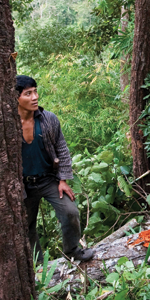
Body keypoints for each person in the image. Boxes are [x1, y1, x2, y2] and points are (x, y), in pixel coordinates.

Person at [16, 75, 95, 262]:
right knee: (26, 226)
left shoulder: (48, 119)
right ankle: (38, 267)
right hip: (23, 185)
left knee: (70, 212)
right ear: (16, 98)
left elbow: (61, 148)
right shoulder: (7, 126)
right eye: (28, 94)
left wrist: (63, 179)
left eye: (35, 92)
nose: (35, 97)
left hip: (48, 178)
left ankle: (73, 251)